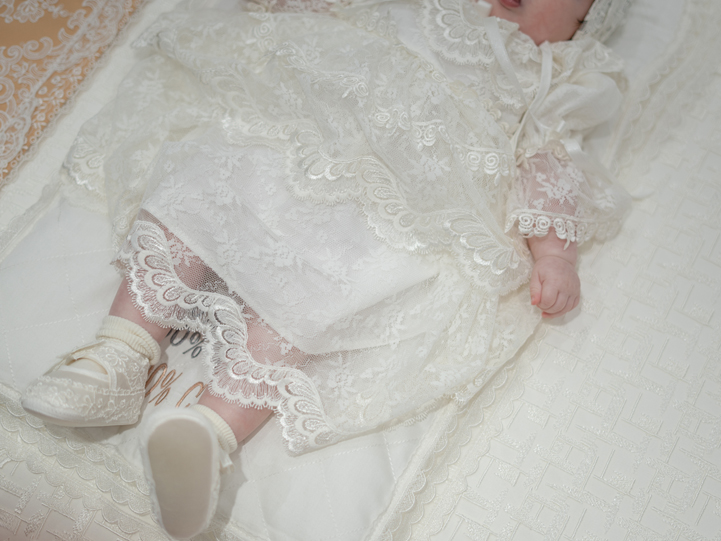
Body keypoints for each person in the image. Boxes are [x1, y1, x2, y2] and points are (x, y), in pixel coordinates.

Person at [21, 0, 631, 536]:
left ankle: (210, 433)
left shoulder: (549, 77)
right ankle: (117, 355)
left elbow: (547, 166)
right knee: (201, 184)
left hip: (396, 214)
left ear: (583, 22)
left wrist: (555, 252)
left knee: (331, 295)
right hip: (293, 140)